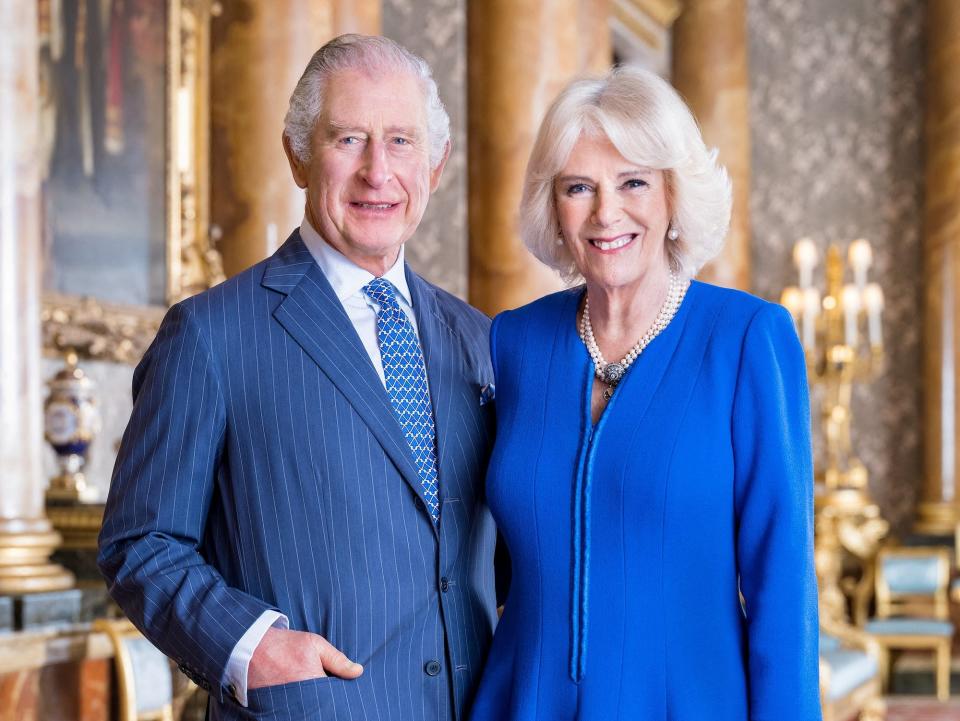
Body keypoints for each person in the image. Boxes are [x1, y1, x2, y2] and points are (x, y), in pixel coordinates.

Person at [98, 34, 498, 721]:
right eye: (348, 139)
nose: (379, 171)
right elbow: (141, 543)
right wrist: (252, 648)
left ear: (436, 165)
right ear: (298, 153)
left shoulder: (481, 339)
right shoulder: (210, 335)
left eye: (402, 141)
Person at [469, 66, 821, 721]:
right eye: (580, 187)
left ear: (672, 196)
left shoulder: (747, 339)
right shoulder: (514, 342)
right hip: (521, 702)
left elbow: (783, 588)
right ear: (555, 205)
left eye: (633, 182)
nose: (607, 212)